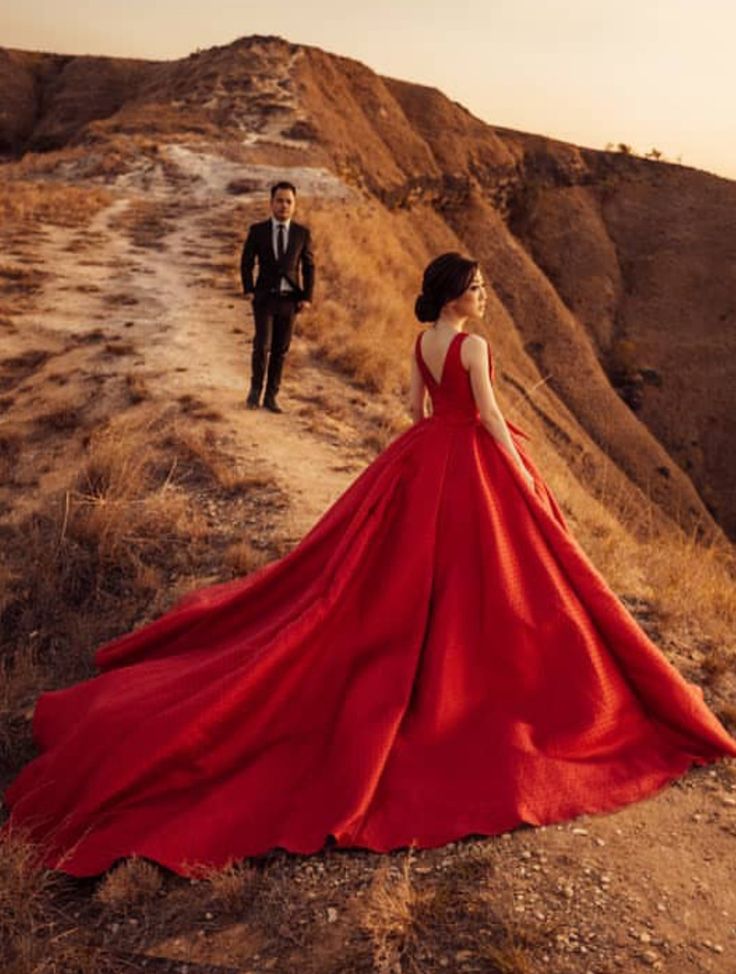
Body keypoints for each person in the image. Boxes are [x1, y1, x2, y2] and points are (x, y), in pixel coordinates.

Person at [4, 253, 735, 878]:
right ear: (456, 293)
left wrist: (428, 463)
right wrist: (520, 476)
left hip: (425, 461)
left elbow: (416, 412)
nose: (483, 298)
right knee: (493, 579)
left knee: (410, 575)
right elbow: (484, 417)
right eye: (477, 288)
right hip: (473, 463)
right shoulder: (474, 348)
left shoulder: (423, 339)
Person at [240, 181, 315, 413]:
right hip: (264, 299)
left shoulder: (302, 234)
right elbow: (246, 261)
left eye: (288, 202)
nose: (284, 206)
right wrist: (249, 289)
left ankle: (272, 396)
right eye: (280, 201)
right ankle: (255, 391)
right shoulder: (258, 230)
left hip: (290, 301)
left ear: (295, 205)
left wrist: (306, 297)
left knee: (281, 350)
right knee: (262, 346)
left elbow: (309, 266)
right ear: (271, 203)